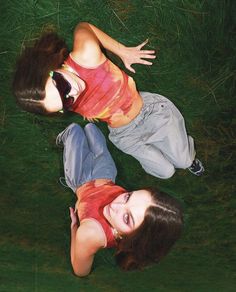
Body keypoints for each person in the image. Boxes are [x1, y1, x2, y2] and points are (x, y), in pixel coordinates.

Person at [13, 22, 204, 178]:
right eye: (65, 104)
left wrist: (123, 52)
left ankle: (187, 159)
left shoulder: (87, 56)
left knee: (183, 160)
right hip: (124, 135)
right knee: (166, 172)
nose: (72, 94)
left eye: (62, 86)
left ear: (51, 67)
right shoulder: (68, 98)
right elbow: (72, 100)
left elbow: (84, 27)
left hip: (150, 113)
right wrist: (89, 112)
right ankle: (166, 154)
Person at [56, 122, 183, 276]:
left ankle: (62, 137)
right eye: (128, 196)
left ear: (133, 239)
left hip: (80, 180)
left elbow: (80, 271)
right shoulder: (118, 205)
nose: (116, 204)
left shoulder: (90, 233)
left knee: (74, 130)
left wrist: (74, 228)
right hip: (106, 174)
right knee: (90, 127)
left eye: (127, 218)